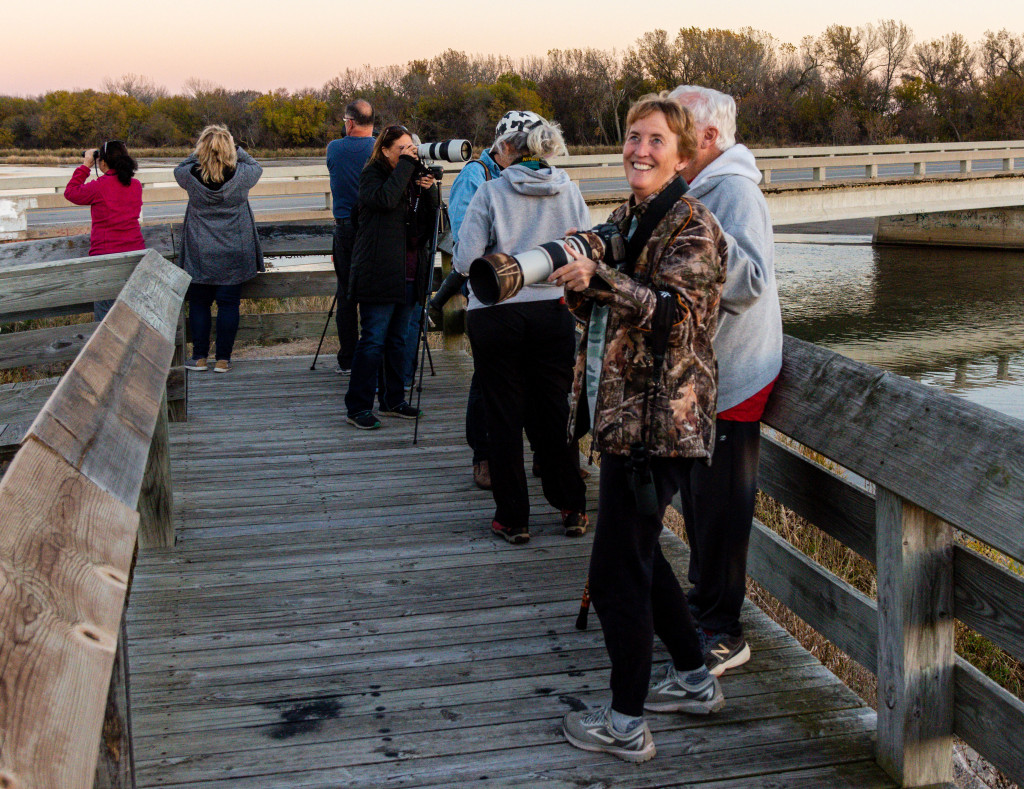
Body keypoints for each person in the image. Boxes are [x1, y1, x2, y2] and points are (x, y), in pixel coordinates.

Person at [552, 93, 728, 763]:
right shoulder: (631, 215)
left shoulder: (695, 226)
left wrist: (605, 280)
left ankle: (625, 722)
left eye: (655, 141)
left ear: (682, 155)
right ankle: (692, 678)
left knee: (618, 573)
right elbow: (612, 295)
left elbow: (679, 314)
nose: (640, 150)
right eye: (632, 137)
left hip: (663, 427)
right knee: (641, 560)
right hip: (628, 420)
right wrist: (581, 286)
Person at [668, 85, 783, 676]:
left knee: (722, 506)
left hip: (733, 375)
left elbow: (752, 280)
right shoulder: (695, 187)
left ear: (709, 137)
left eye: (678, 123)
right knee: (699, 500)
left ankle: (723, 630)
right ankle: (701, 603)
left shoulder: (734, 189)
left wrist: (702, 238)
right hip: (698, 374)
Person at [453, 115, 588, 544]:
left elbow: (465, 262)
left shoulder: (492, 191)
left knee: (504, 414)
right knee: (556, 411)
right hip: (554, 310)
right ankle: (572, 507)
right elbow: (584, 246)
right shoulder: (571, 190)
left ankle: (514, 519)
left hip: (497, 313)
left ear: (508, 148)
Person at [447, 110, 543, 490]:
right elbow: (463, 238)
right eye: (519, 147)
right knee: (487, 381)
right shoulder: (476, 175)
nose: (525, 155)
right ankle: (483, 457)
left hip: (534, 290)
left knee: (538, 379)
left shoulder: (534, 171)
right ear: (504, 145)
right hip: (493, 294)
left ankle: (544, 454)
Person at [344, 125, 439, 429]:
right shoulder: (372, 174)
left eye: (411, 147)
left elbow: (429, 226)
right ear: (384, 150)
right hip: (379, 272)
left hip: (410, 272)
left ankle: (392, 399)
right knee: (372, 340)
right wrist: (408, 168)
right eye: (402, 149)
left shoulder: (410, 177)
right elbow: (384, 200)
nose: (409, 153)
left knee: (398, 340)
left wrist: (429, 192)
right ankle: (358, 407)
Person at [174, 125, 264, 373]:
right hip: (235, 248)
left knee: (200, 304)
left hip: (201, 250)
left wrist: (199, 154)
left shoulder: (190, 175)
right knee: (229, 304)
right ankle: (223, 360)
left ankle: (200, 357)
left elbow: (178, 168)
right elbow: (258, 166)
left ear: (202, 148)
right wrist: (237, 151)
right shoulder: (243, 173)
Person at [63, 140, 145, 320]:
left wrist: (86, 165)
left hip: (106, 261)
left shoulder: (100, 186)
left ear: (103, 162)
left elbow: (70, 192)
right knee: (132, 317)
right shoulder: (136, 185)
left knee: (106, 321)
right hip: (135, 259)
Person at [326, 99, 375, 375]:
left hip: (345, 228)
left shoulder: (335, 148)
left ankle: (348, 359)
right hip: (375, 229)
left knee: (346, 294)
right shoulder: (380, 148)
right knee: (374, 294)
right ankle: (373, 355)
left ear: (350, 122)